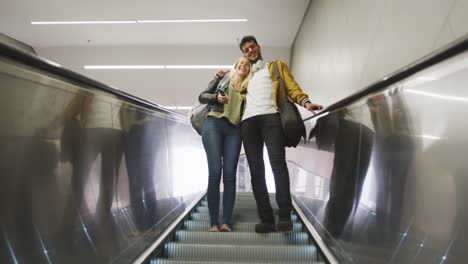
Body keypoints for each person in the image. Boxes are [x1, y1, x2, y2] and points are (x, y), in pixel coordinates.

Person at [218, 35, 323, 233]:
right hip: (248, 123)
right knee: (256, 170)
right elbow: (230, 90)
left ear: (259, 47)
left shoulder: (275, 67)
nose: (250, 51)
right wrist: (220, 77)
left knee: (277, 163)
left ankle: (284, 214)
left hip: (271, 118)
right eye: (246, 50)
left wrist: (306, 102)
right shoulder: (245, 75)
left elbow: (292, 87)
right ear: (244, 54)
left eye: (252, 47)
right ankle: (266, 218)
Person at [199, 57, 251, 232]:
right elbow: (202, 97)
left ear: (250, 70)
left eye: (247, 64)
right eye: (240, 63)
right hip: (214, 123)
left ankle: (226, 222)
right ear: (235, 67)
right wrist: (216, 98)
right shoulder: (224, 79)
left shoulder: (249, 88)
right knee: (215, 171)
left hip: (234, 130)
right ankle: (213, 222)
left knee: (230, 175)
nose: (243, 65)